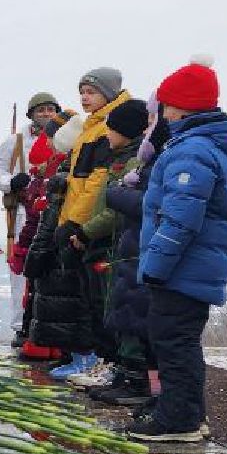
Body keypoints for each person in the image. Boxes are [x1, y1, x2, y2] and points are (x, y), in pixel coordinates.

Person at [129, 61, 227, 442]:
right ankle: (183, 410)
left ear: (177, 107)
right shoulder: (196, 145)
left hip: (183, 267)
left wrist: (156, 266)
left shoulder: (191, 150)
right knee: (177, 340)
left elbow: (181, 218)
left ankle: (180, 420)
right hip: (191, 266)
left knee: (174, 341)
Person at [46, 68, 131, 380]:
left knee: (96, 297)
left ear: (108, 94)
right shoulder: (91, 125)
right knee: (84, 293)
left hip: (91, 221)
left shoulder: (109, 126)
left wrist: (75, 223)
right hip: (79, 215)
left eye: (91, 92)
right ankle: (90, 356)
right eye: (82, 91)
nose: (84, 97)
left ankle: (99, 358)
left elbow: (95, 183)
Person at [70, 98, 149, 396]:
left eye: (112, 130)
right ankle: (119, 368)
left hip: (120, 245)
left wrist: (87, 231)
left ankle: (130, 373)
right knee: (111, 307)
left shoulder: (134, 161)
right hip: (114, 244)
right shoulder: (119, 157)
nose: (107, 136)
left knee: (124, 309)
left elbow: (116, 207)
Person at [0, 93, 62, 341]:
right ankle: (22, 326)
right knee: (21, 269)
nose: (47, 114)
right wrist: (11, 182)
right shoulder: (15, 142)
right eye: (41, 110)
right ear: (31, 114)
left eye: (51, 109)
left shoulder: (65, 138)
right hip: (23, 214)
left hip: (58, 212)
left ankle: (50, 329)